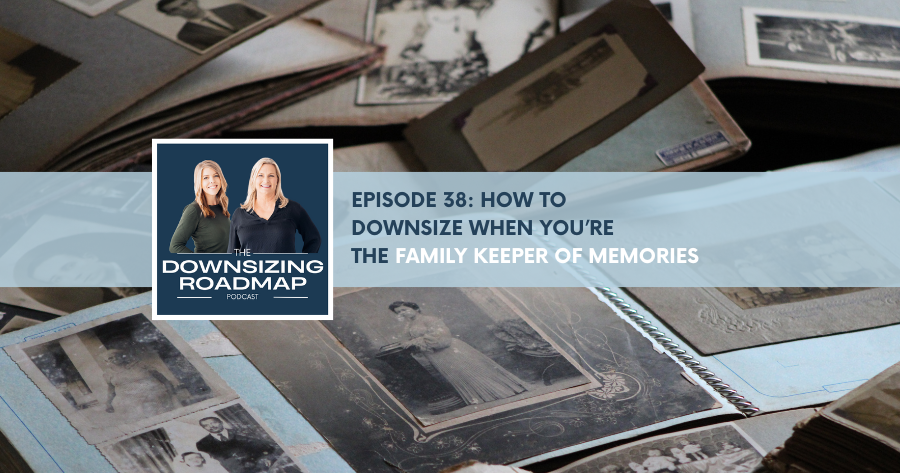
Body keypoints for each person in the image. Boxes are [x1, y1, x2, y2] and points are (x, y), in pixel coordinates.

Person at [382, 301, 527, 406]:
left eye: (404, 309)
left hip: (449, 350)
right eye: (399, 312)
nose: (402, 313)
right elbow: (408, 340)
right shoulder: (409, 325)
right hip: (435, 355)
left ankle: (501, 392)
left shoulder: (429, 319)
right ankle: (482, 397)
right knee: (458, 375)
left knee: (470, 371)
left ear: (415, 308)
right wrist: (410, 342)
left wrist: (415, 341)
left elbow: (441, 336)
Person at [227, 158, 321, 254]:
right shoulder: (239, 214)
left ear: (277, 180)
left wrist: (302, 265)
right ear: (253, 179)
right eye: (260, 175)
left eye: (271, 175)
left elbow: (314, 239)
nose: (266, 180)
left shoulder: (292, 208)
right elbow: (232, 254)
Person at [101, 347, 182, 423]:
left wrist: (173, 396)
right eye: (110, 358)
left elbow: (164, 380)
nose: (113, 359)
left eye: (115, 356)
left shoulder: (140, 365)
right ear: (106, 362)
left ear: (122, 356)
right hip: (131, 405)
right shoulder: (108, 374)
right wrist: (108, 403)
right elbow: (111, 389)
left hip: (155, 398)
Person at [195, 417, 298, 473]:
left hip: (265, 467)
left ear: (220, 422)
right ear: (204, 428)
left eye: (213, 422)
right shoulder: (202, 444)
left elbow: (270, 447)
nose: (211, 426)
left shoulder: (242, 432)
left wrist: (267, 458)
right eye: (206, 425)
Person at [170, 160, 231, 253]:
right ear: (199, 182)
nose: (212, 181)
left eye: (216, 175)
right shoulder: (194, 210)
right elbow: (175, 246)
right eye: (206, 178)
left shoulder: (221, 206)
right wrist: (201, 264)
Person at [156, 0, 266, 51]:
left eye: (185, 3)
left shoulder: (235, 8)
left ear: (194, 1)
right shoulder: (186, 36)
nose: (185, 9)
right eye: (175, 9)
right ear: (170, 15)